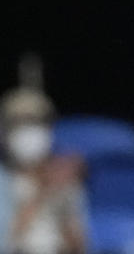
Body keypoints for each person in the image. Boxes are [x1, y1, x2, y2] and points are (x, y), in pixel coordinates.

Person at [0, 87, 87, 254]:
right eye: (20, 123)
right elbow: (4, 243)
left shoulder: (65, 178)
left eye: (37, 122)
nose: (30, 130)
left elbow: (79, 247)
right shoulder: (2, 180)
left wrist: (65, 203)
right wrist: (43, 191)